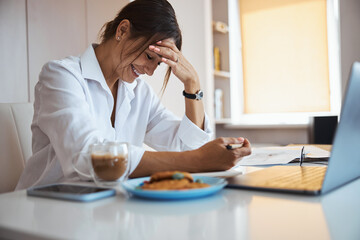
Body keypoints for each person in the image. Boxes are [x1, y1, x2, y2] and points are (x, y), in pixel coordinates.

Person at [16, 0, 251, 190]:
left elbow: (185, 147)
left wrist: (193, 85)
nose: (149, 71)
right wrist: (199, 160)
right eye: (150, 57)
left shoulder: (138, 92)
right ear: (123, 30)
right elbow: (86, 157)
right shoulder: (61, 75)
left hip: (107, 209)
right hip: (47, 208)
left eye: (158, 64)